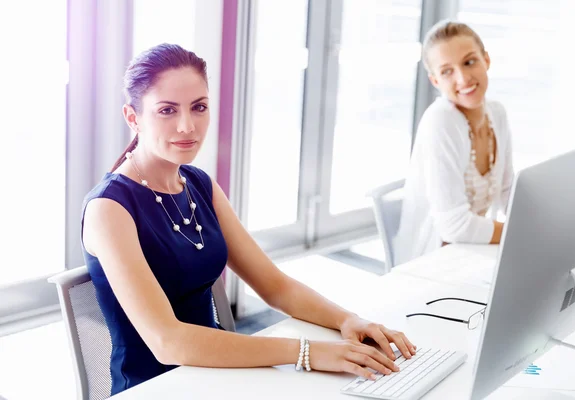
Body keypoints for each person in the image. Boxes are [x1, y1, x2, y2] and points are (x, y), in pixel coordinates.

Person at [81, 43, 416, 396]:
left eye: (199, 107)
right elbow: (169, 342)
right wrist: (307, 352)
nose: (187, 125)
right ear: (133, 118)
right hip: (158, 388)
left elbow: (275, 286)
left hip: (219, 376)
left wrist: (349, 320)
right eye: (167, 110)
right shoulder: (110, 208)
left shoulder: (198, 184)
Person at [393, 20, 514, 265]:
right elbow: (454, 226)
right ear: (435, 81)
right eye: (447, 71)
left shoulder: (497, 113)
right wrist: (517, 234)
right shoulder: (441, 121)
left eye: (469, 62)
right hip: (433, 260)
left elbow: (507, 191)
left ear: (486, 60)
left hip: (472, 252)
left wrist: (547, 222)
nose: (463, 78)